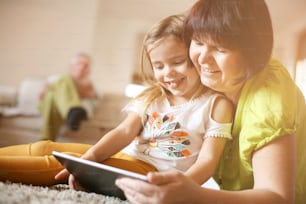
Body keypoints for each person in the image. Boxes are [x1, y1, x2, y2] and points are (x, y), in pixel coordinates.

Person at [0, 15, 233, 191]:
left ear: (194, 57)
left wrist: (181, 189)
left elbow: (208, 160)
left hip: (151, 173)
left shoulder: (215, 104)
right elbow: (123, 132)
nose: (168, 73)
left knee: (54, 166)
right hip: (126, 157)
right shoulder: (152, 96)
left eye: (177, 62)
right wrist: (89, 159)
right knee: (47, 148)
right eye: (159, 66)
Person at [115, 1, 306, 204]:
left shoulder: (268, 99)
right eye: (198, 42)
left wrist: (193, 195)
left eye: (220, 48)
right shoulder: (212, 80)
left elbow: (279, 197)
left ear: (251, 53)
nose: (202, 59)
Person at [38, 53, 97, 141]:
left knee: (51, 96)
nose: (81, 68)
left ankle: (45, 141)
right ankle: (73, 110)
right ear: (71, 66)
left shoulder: (89, 83)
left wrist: (63, 91)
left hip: (56, 106)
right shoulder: (57, 78)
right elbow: (41, 96)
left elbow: (94, 95)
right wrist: (74, 91)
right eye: (79, 64)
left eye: (85, 66)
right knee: (62, 82)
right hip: (44, 106)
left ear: (89, 69)